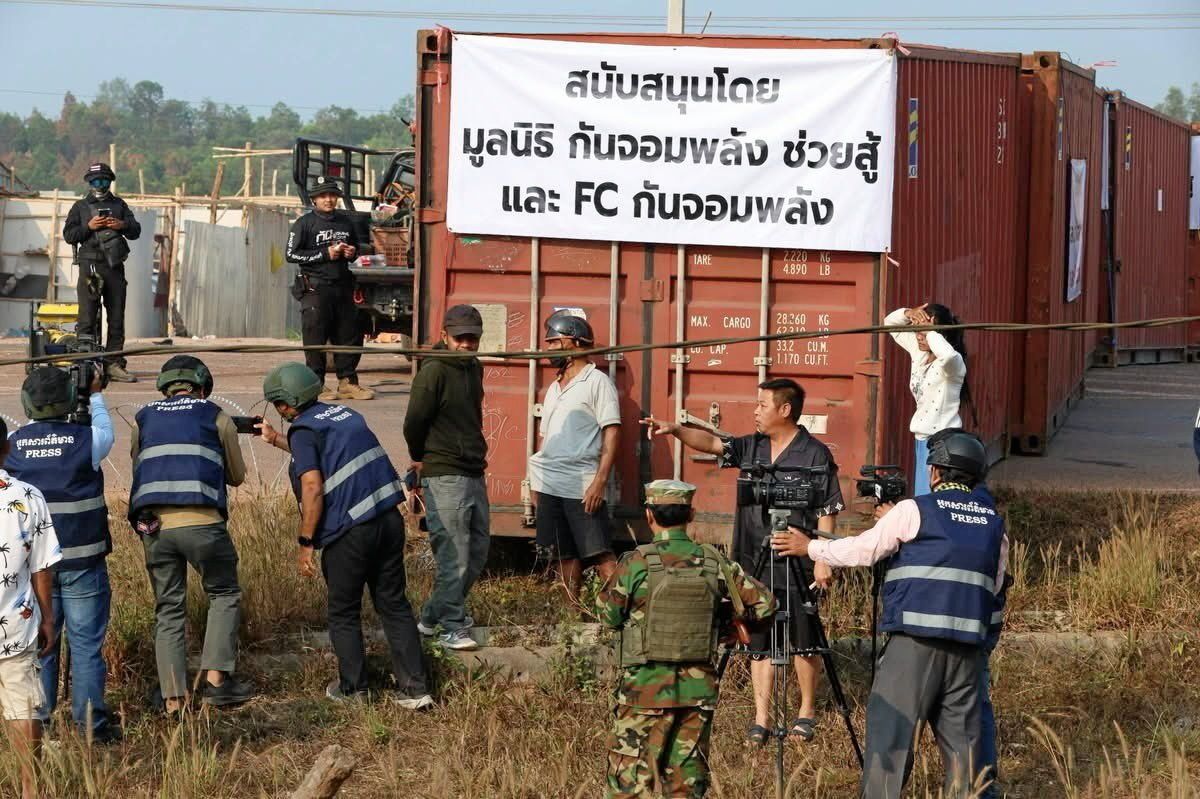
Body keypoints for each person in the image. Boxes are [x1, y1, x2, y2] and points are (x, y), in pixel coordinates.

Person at [775, 428, 1008, 799]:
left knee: (891, 742)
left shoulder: (915, 510)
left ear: (935, 472)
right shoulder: (994, 525)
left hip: (913, 647)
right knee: (967, 753)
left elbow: (863, 551)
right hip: (967, 652)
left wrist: (812, 548)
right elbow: (995, 590)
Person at [643, 378, 843, 746]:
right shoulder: (751, 446)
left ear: (785, 410)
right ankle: (761, 717)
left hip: (798, 559)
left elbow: (828, 507)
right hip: (754, 558)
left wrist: (823, 556)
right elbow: (712, 444)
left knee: (805, 639)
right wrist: (675, 430)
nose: (756, 411)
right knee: (759, 639)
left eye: (763, 405)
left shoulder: (814, 454)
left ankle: (806, 712)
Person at [259, 363, 432, 709]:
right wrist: (276, 439)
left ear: (285, 404)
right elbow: (328, 453)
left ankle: (354, 690)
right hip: (388, 521)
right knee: (394, 606)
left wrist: (306, 542)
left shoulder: (303, 430)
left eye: (278, 405)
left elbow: (312, 485)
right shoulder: (346, 415)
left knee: (344, 612)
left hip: (351, 533)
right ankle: (416, 690)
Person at [597, 479, 777, 799]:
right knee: (686, 786)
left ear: (649, 515)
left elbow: (609, 617)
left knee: (630, 787)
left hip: (644, 691)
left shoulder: (636, 562)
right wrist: (727, 626)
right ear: (691, 515)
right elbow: (766, 606)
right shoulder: (714, 562)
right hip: (697, 693)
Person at [129, 356, 253, 712]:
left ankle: (173, 698)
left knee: (168, 608)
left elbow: (140, 466)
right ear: (202, 386)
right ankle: (216, 682)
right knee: (223, 592)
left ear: (165, 387)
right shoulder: (215, 415)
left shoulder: (143, 417)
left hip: (154, 526)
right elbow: (237, 476)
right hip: (203, 523)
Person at [5, 367, 119, 743]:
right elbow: (107, 431)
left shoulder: (13, 444)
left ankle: (43, 723)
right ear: (70, 399)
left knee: (43, 643)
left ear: (26, 403)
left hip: (36, 568)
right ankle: (90, 729)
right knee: (86, 647)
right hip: (84, 562)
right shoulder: (89, 440)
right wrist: (96, 393)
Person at [403, 305, 490, 652]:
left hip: (473, 469)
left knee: (478, 551)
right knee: (455, 555)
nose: (467, 344)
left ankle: (431, 617)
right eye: (460, 338)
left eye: (473, 338)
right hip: (444, 472)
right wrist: (420, 458)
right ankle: (452, 626)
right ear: (444, 336)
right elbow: (413, 422)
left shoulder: (473, 367)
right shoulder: (434, 371)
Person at [527, 311, 620, 607]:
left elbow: (612, 431)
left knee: (600, 554)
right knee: (563, 556)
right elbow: (547, 439)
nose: (548, 349)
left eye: (554, 342)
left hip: (581, 485)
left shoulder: (597, 382)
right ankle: (572, 617)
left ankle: (622, 616)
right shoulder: (554, 387)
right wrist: (536, 483)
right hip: (550, 485)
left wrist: (599, 482)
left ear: (574, 342)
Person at [284, 178, 373, 401]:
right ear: (314, 199)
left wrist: (353, 252)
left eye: (332, 195)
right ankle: (316, 385)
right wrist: (325, 254)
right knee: (315, 337)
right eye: (323, 196)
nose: (328, 199)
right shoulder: (304, 223)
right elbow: (291, 254)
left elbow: (358, 248)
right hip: (315, 288)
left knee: (349, 335)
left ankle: (348, 383)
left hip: (343, 287)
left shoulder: (346, 222)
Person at [61, 162, 142, 383]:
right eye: (96, 181)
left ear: (110, 181)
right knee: (87, 317)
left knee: (116, 317)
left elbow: (136, 231)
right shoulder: (80, 207)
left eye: (104, 180)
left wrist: (121, 225)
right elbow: (69, 235)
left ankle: (113, 364)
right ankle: (86, 364)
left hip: (114, 267)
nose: (100, 184)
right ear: (89, 182)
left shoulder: (119, 205)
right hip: (89, 267)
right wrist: (89, 226)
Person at [884, 303, 970, 495]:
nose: (919, 336)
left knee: (933, 500)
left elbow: (947, 355)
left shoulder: (953, 365)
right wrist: (909, 313)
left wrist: (930, 332)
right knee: (923, 498)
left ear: (940, 334)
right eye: (917, 330)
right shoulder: (920, 354)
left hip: (943, 442)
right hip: (922, 439)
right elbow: (888, 323)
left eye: (924, 331)